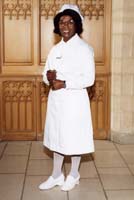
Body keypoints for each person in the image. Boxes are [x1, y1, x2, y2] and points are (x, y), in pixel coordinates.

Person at [39, 4, 95, 191]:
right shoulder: (55, 49)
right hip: (57, 102)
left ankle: (74, 174)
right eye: (62, 22)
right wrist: (48, 78)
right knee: (57, 137)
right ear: (58, 25)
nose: (65, 25)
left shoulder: (85, 49)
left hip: (75, 101)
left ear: (77, 25)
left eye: (70, 22)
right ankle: (56, 175)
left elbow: (89, 78)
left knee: (74, 138)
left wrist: (64, 82)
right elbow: (45, 71)